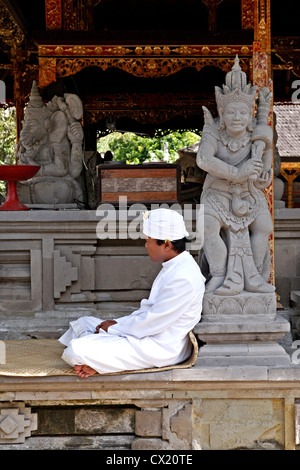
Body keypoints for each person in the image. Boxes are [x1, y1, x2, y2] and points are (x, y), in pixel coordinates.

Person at [59, 208, 205, 378]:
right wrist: (115, 324)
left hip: (158, 347)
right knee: (84, 323)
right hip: (146, 334)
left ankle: (96, 361)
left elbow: (153, 322)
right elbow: (148, 314)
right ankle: (98, 359)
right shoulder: (174, 266)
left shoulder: (183, 277)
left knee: (78, 349)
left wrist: (115, 328)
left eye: (148, 241)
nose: (146, 245)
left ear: (166, 244)